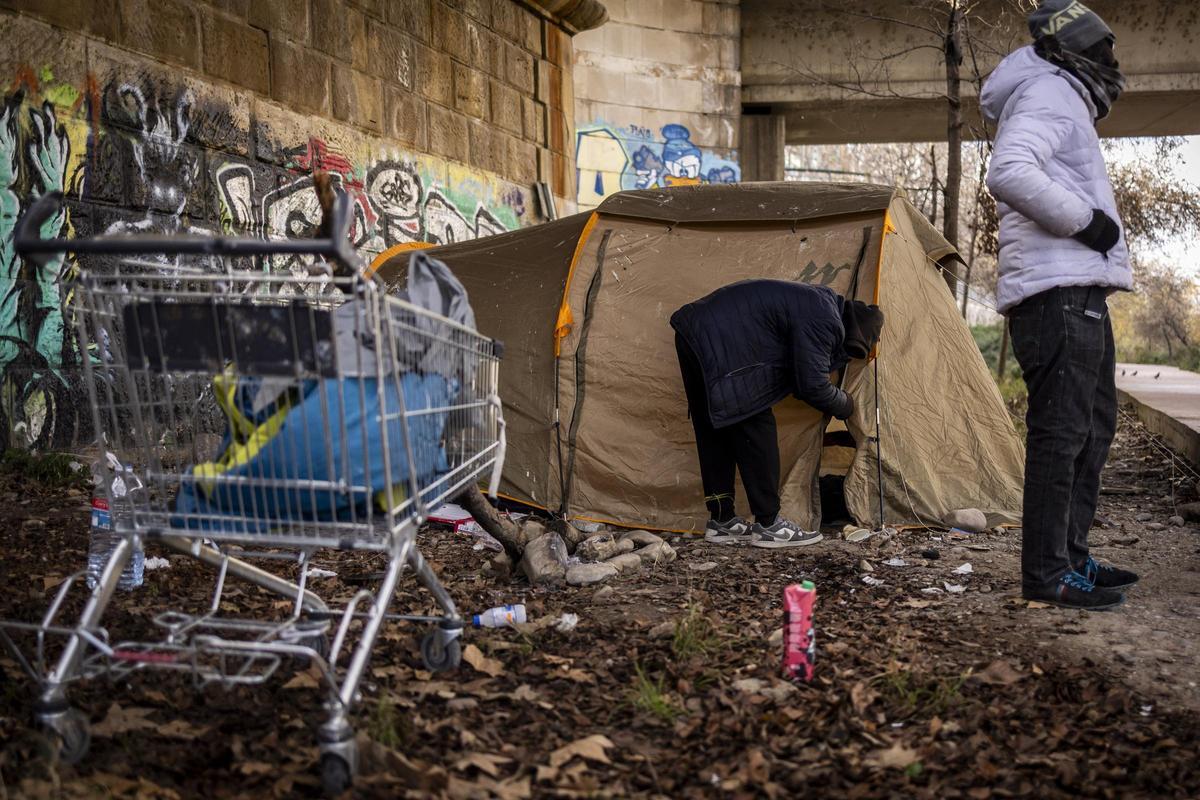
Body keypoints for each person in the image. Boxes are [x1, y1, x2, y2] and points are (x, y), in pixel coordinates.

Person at [981, 0, 1138, 610]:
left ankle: (1070, 559)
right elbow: (1008, 170)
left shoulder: (1061, 94)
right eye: (1101, 50)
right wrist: (1087, 222)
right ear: (1069, 50)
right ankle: (1047, 573)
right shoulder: (1049, 90)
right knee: (1063, 433)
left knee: (1092, 428)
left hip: (1076, 289)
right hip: (1058, 293)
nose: (1111, 62)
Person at [670, 279, 884, 548]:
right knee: (756, 424)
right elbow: (812, 384)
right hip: (725, 340)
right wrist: (847, 406)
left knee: (715, 428)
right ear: (852, 329)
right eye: (851, 349)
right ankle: (769, 524)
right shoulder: (826, 318)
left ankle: (722, 520)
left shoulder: (817, 303)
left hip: (693, 330)